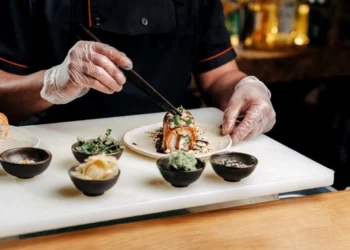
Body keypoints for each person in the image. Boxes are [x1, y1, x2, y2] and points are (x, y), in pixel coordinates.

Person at [0, 0, 275, 145]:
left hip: (174, 157)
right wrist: (53, 83)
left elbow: (219, 76)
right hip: (64, 160)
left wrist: (247, 88)